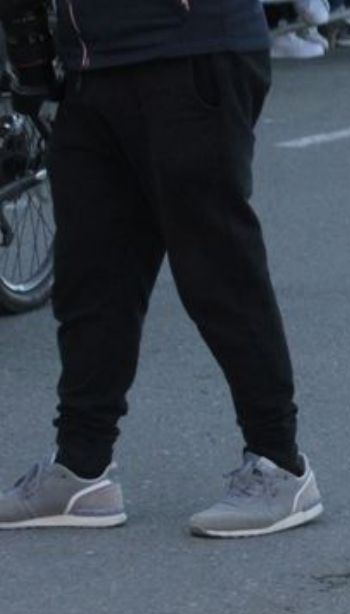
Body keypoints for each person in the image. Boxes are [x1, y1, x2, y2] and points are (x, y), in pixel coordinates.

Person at [0, 0, 323, 537]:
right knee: (92, 274)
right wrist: (30, 54)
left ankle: (280, 463)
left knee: (215, 267)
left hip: (189, 45)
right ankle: (82, 467)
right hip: (93, 63)